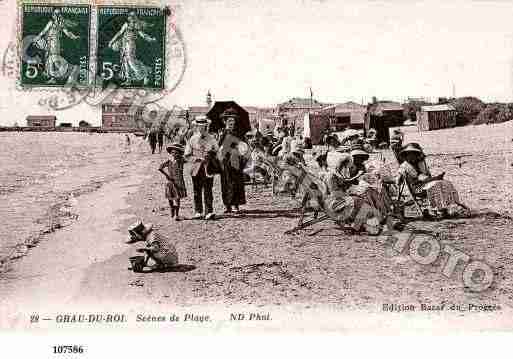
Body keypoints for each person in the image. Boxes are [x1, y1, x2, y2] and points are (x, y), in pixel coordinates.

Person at [397, 143, 462, 217]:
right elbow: (400, 179)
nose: (412, 156)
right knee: (436, 185)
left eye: (414, 154)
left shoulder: (420, 164)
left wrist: (435, 178)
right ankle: (439, 209)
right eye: (410, 154)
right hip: (417, 188)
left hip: (425, 184)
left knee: (445, 183)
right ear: (406, 155)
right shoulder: (405, 166)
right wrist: (400, 177)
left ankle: (450, 206)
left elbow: (426, 177)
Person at [32, 9, 80, 84]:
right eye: (55, 14)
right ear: (53, 15)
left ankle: (68, 70)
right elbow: (44, 31)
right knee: (48, 58)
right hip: (49, 41)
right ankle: (51, 75)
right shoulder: (52, 23)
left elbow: (67, 33)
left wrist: (74, 36)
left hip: (55, 42)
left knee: (53, 59)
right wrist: (38, 37)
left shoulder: (60, 24)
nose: (57, 16)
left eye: (58, 14)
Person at [108, 11, 156, 86]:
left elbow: (142, 34)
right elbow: (120, 33)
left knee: (131, 60)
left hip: (131, 44)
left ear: (135, 17)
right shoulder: (126, 25)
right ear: (129, 18)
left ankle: (145, 74)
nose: (132, 18)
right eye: (130, 16)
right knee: (125, 61)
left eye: (133, 16)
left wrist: (150, 39)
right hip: (124, 43)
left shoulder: (137, 25)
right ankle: (128, 79)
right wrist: (111, 41)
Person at [184, 116, 219, 220]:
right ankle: (198, 211)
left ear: (206, 126)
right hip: (196, 167)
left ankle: (209, 211)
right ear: (196, 127)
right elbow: (187, 154)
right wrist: (197, 158)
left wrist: (211, 155)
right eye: (199, 127)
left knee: (208, 189)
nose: (202, 129)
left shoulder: (211, 138)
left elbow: (217, 151)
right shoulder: (192, 139)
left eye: (204, 127)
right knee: (196, 190)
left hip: (208, 167)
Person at [218, 108, 247, 213]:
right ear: (225, 121)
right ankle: (227, 205)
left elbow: (244, 147)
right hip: (225, 161)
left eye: (233, 121)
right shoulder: (222, 133)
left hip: (235, 160)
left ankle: (235, 205)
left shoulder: (239, 133)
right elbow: (218, 147)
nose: (231, 123)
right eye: (229, 121)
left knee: (235, 182)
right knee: (225, 182)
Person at [159, 143, 187, 221]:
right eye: (173, 152)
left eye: (176, 152)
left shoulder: (181, 160)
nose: (174, 154)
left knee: (177, 198)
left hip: (178, 181)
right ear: (171, 153)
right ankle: (172, 208)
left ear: (179, 153)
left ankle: (177, 215)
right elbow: (160, 167)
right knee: (170, 197)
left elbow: (188, 160)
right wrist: (167, 175)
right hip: (171, 181)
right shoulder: (169, 161)